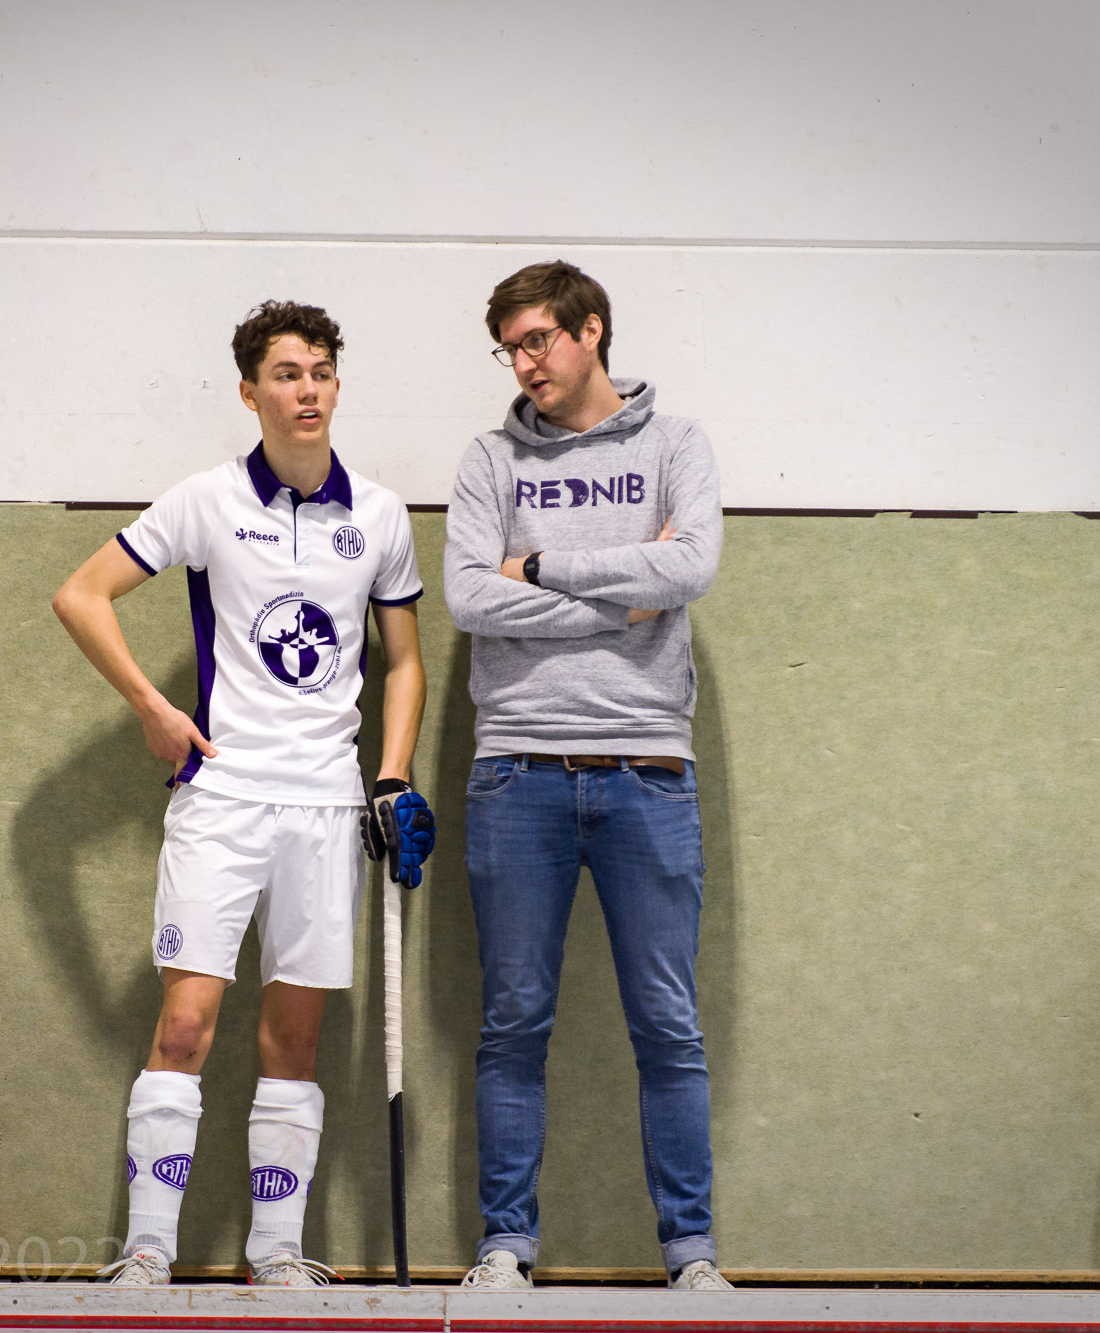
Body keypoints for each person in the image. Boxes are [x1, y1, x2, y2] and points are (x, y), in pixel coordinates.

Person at [52, 300, 434, 1287]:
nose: (307, 390)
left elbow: (403, 663)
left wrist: (391, 776)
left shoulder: (379, 516)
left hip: (326, 805)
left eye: (320, 372)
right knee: (185, 1024)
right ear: (249, 391)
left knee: (294, 1036)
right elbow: (80, 595)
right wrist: (151, 706)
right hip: (222, 799)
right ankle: (145, 1250)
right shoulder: (206, 500)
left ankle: (276, 1252)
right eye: (286, 374)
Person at [443, 261, 732, 1292]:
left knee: (668, 1025)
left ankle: (690, 1254)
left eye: (538, 340)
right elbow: (468, 597)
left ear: (590, 329)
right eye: (510, 348)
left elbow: (690, 567)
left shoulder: (673, 444)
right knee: (512, 1024)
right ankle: (504, 1248)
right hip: (516, 769)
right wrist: (623, 592)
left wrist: (540, 567)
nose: (524, 364)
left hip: (647, 769)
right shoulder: (490, 460)